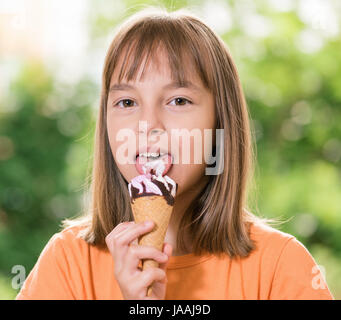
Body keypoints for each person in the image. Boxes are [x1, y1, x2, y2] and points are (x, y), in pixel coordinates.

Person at [16, 7, 334, 300]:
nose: (148, 125)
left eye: (178, 101)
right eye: (127, 102)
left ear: (220, 123)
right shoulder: (69, 264)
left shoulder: (281, 267)